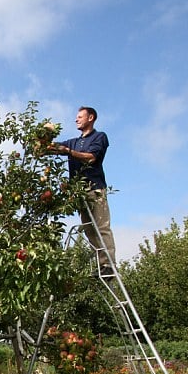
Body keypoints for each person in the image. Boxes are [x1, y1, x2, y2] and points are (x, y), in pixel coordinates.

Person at [53, 106, 116, 275]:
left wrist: (69, 152)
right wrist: (42, 142)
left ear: (91, 118)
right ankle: (101, 264)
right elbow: (56, 147)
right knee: (89, 229)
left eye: (80, 116)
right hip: (79, 192)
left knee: (101, 226)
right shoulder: (73, 141)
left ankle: (108, 264)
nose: (76, 119)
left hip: (94, 188)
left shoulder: (99, 137)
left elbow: (91, 157)